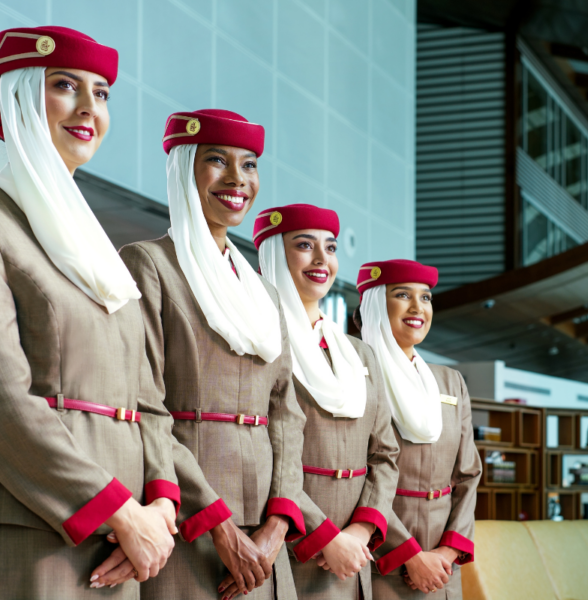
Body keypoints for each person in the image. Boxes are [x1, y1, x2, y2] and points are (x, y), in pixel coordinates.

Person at [0, 26, 179, 599]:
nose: (89, 107)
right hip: (41, 521)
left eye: (103, 92)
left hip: (131, 534)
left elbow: (148, 398)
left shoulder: (99, 250)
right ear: (19, 96)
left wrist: (160, 505)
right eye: (66, 86)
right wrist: (117, 509)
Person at [119, 109, 306, 600]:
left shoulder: (264, 293)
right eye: (217, 161)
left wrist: (280, 522)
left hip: (266, 537)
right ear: (183, 169)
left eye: (249, 165)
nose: (236, 179)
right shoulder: (149, 265)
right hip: (189, 522)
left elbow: (286, 414)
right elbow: (145, 408)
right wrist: (217, 523)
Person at [250, 204, 400, 600]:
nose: (322, 260)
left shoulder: (359, 354)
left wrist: (361, 530)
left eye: (331, 248)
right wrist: (325, 536)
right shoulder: (256, 342)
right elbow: (264, 453)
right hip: (290, 542)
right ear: (273, 255)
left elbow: (384, 454)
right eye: (304, 245)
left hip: (353, 551)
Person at [356, 260, 482, 599]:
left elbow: (469, 474)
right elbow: (360, 478)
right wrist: (409, 555)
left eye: (425, 298)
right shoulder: (356, 375)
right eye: (402, 295)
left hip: (443, 563)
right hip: (380, 551)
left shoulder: (450, 381)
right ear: (376, 304)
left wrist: (447, 553)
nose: (417, 308)